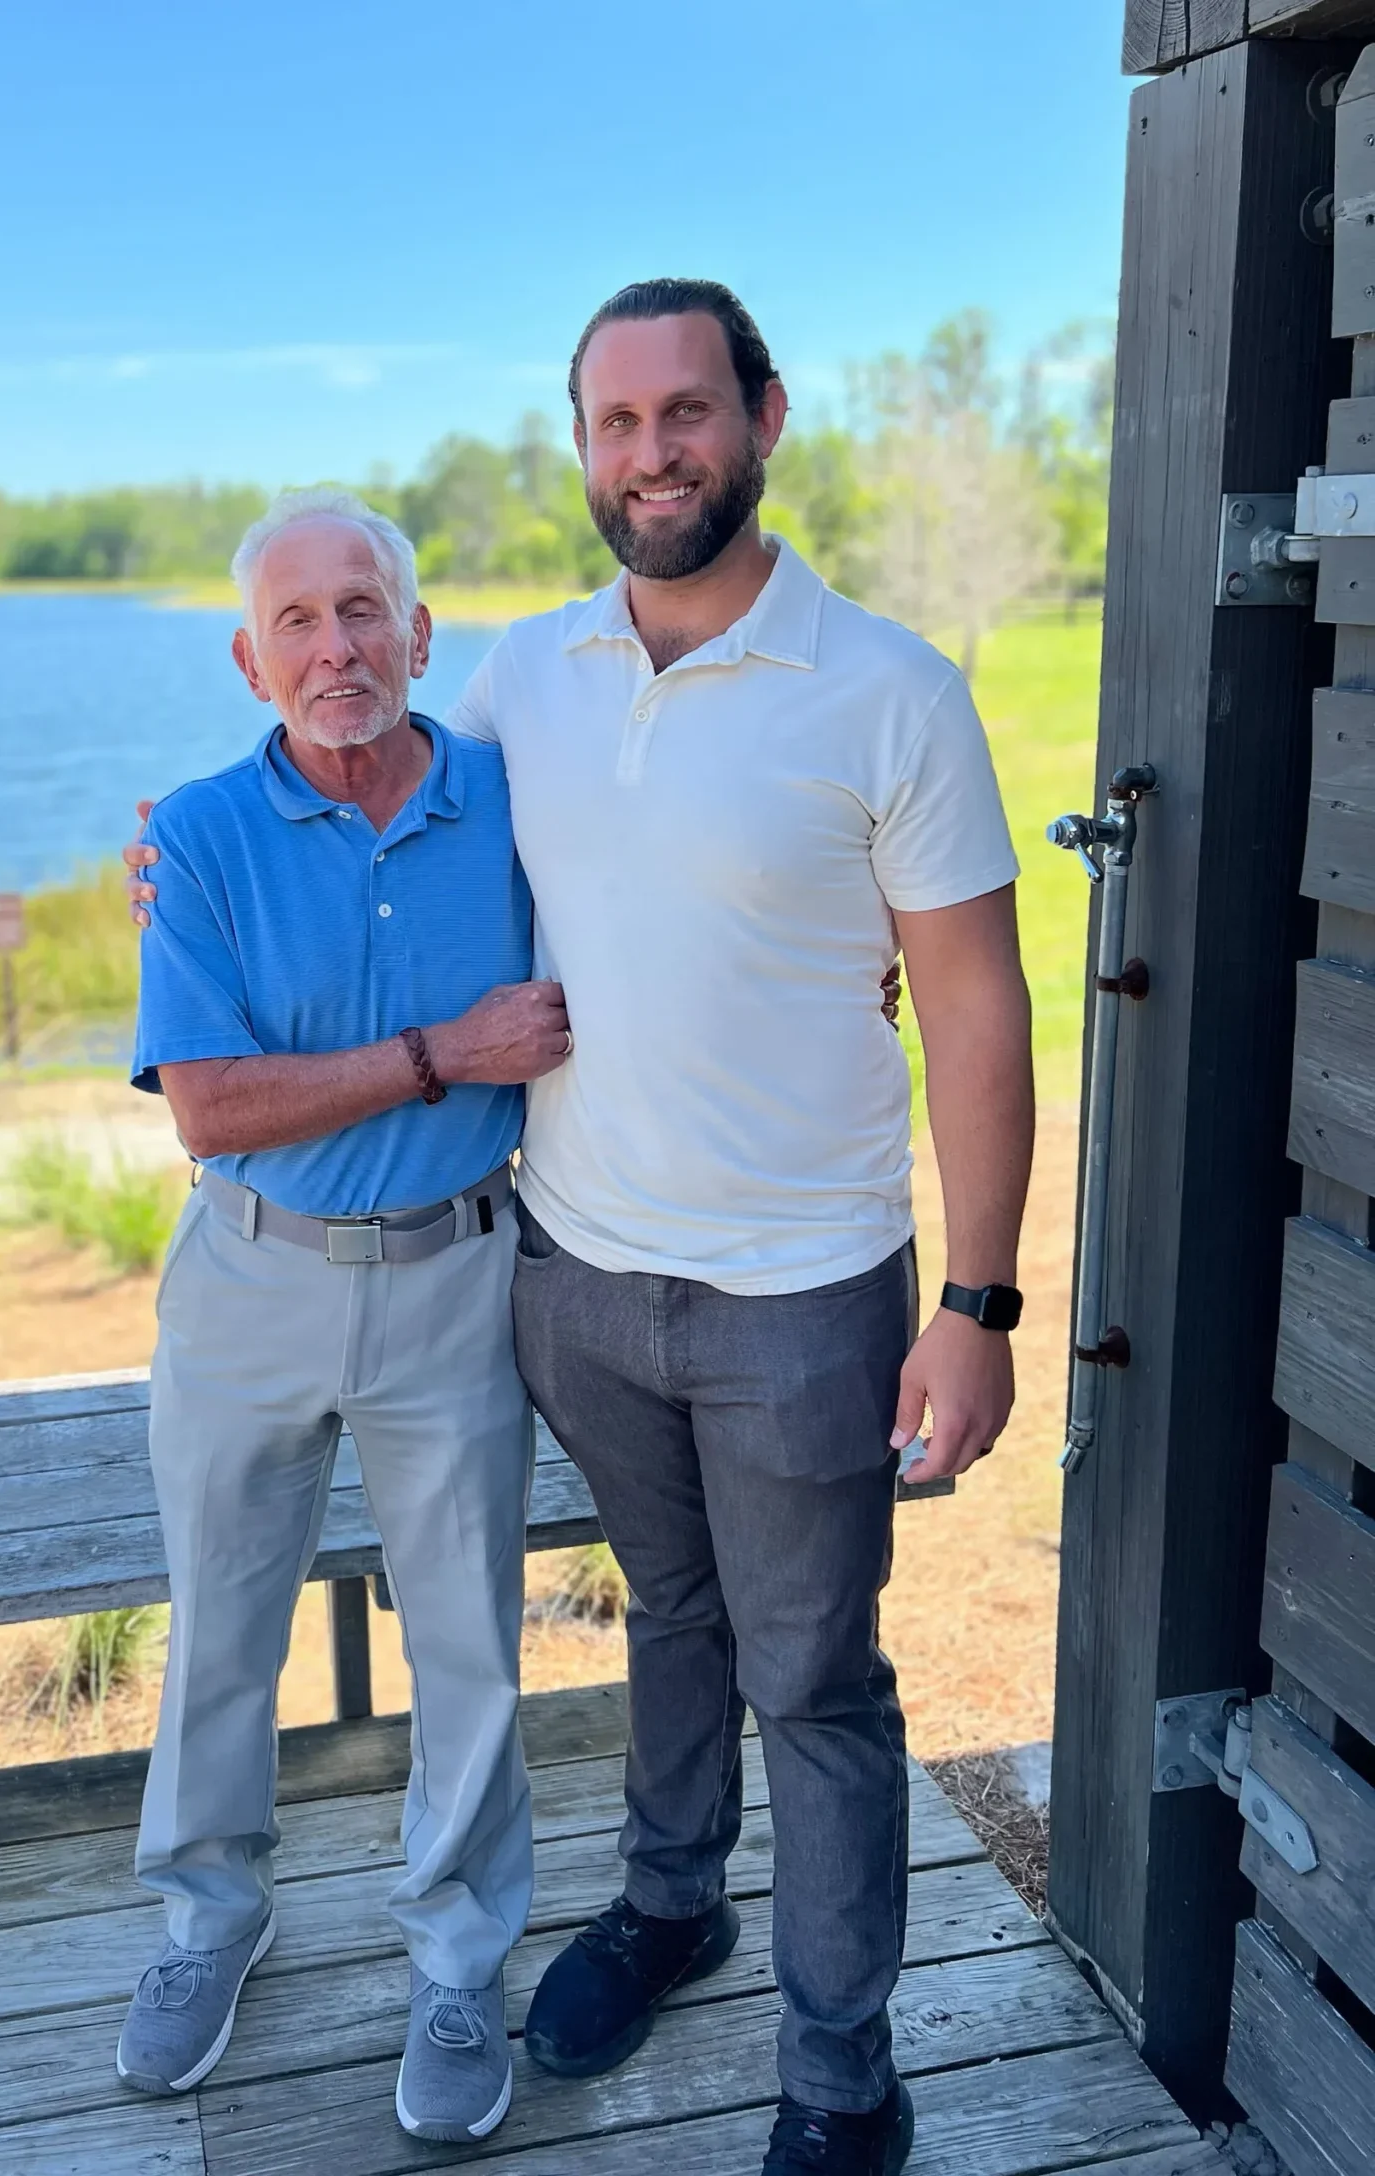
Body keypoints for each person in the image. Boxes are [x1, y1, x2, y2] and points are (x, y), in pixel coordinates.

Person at [127, 278, 1034, 2176]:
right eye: (617, 427)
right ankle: (671, 1901)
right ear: (584, 453)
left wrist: (977, 1297)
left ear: (763, 418)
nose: (652, 456)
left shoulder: (891, 690)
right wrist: (176, 842)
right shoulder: (523, 685)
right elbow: (349, 754)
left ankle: (842, 2079)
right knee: (674, 1627)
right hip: (576, 1281)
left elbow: (973, 1005)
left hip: (803, 1295)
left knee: (821, 1681)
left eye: (685, 414)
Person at [114, 485, 571, 2147]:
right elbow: (213, 1106)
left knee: (471, 1650)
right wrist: (445, 1051)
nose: (336, 648)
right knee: (222, 1630)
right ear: (251, 659)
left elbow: (669, 917)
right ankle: (208, 1923)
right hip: (248, 1280)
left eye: (363, 610)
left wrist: (845, 960)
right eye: (297, 623)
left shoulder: (520, 808)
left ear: (421, 633)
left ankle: (460, 1962)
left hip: (456, 1279)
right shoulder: (204, 837)